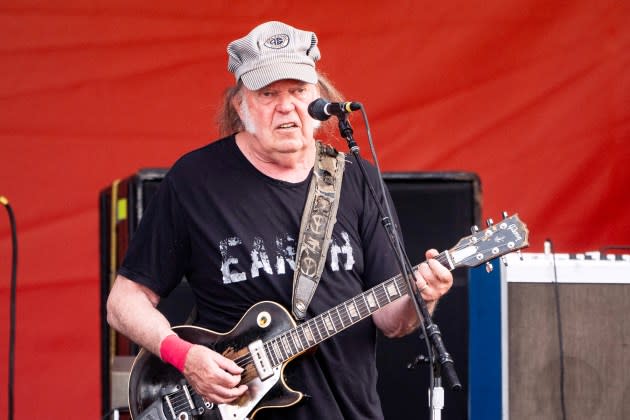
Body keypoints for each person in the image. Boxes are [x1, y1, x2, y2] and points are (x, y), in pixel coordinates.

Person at [106, 20, 454, 420]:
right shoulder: (195, 181)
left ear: (320, 99)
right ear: (239, 104)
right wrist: (183, 356)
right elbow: (124, 302)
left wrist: (423, 294)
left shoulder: (358, 178)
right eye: (268, 93)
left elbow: (393, 322)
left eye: (299, 91)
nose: (286, 106)